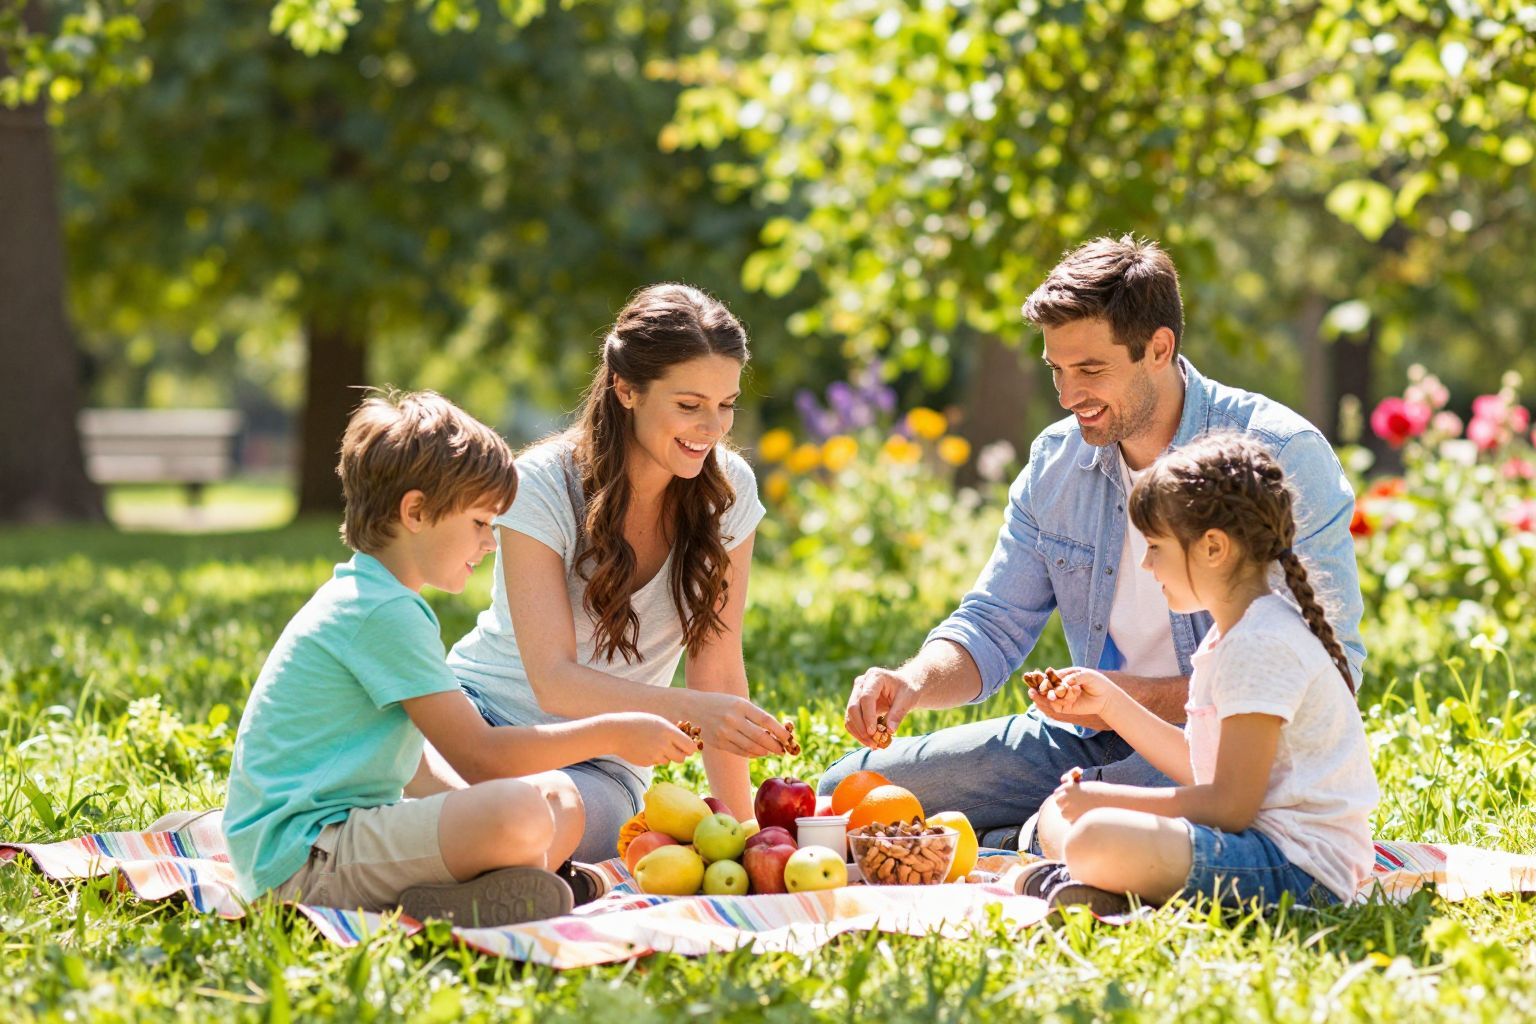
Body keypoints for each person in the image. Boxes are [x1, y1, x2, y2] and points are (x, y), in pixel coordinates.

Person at [818, 235, 1365, 853]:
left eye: (1090, 370)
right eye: (1056, 369)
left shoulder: (1280, 454)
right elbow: (994, 623)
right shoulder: (1057, 462)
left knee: (1075, 826)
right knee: (846, 792)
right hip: (1083, 736)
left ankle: (1031, 837)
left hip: (1227, 748)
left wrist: (1123, 701)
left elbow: (1330, 663)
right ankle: (1025, 838)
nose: (1067, 395)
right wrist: (913, 681)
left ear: (1159, 348)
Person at [223, 390, 696, 926]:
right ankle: (496, 885)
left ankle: (466, 894)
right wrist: (613, 734)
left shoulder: (378, 598)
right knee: (519, 811)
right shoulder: (383, 613)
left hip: (326, 844)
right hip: (303, 860)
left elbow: (418, 766)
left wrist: (489, 811)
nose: (490, 544)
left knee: (540, 806)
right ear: (416, 512)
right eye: (478, 523)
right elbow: (479, 756)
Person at [446, 284, 790, 863]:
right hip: (486, 719)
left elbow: (718, 667)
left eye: (726, 404)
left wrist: (745, 835)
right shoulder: (541, 485)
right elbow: (552, 680)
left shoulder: (728, 494)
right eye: (689, 405)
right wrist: (691, 710)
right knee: (433, 782)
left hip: (601, 765)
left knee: (550, 814)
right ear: (625, 389)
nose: (712, 427)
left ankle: (467, 864)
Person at [1018, 433, 1378, 911]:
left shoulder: (1262, 642)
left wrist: (1110, 800)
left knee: (1094, 834)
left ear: (1212, 547)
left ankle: (1089, 880)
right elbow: (1201, 764)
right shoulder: (1229, 637)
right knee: (1057, 816)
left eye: (1156, 547)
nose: (1147, 564)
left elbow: (1230, 806)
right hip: (1248, 844)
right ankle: (1098, 883)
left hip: (1297, 867)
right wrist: (1110, 703)